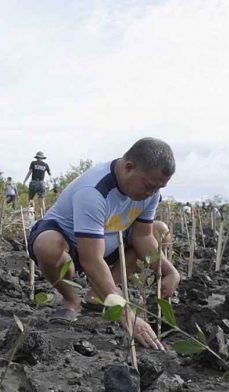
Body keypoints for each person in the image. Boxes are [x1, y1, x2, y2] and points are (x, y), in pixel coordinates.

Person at [27, 137, 180, 350]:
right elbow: (91, 260)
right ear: (128, 167)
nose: (151, 194)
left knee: (159, 230)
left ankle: (99, 294)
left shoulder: (150, 191)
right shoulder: (94, 191)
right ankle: (72, 300)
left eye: (158, 188)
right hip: (70, 245)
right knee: (47, 246)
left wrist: (170, 271)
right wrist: (127, 314)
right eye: (149, 186)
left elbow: (143, 237)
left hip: (108, 240)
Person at [23, 151, 51, 217]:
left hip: (34, 182)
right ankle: (43, 216)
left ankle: (32, 216)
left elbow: (30, 172)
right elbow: (50, 174)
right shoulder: (45, 165)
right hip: (42, 183)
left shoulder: (33, 163)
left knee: (31, 199)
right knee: (42, 200)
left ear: (37, 157)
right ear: (42, 158)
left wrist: (25, 180)